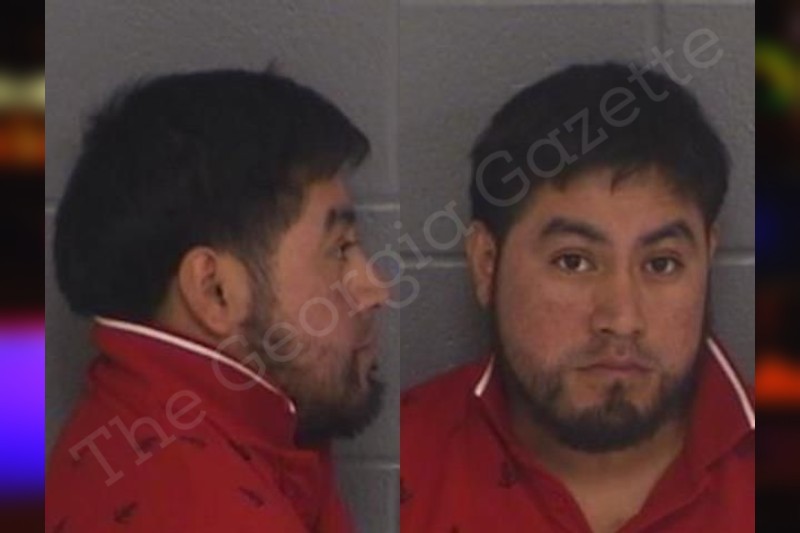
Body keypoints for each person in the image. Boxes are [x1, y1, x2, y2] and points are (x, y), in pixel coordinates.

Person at [401, 63, 754, 532]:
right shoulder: (408, 460)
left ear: (707, 258)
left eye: (662, 263)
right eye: (573, 261)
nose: (622, 319)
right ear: (487, 263)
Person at [46, 69, 388, 532]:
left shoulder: (118, 424)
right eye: (340, 250)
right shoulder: (212, 510)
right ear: (215, 291)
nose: (375, 289)